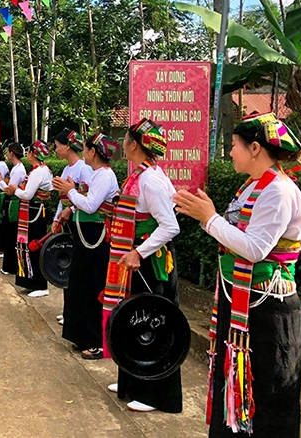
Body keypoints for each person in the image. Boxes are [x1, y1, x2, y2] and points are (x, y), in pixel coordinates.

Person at [175, 112, 301, 437]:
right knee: (234, 386)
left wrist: (210, 218)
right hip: (244, 304)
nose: (230, 152)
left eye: (234, 145)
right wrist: (207, 216)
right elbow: (234, 234)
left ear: (255, 148)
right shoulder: (251, 186)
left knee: (267, 394)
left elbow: (256, 248)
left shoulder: (279, 191)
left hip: (267, 310)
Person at [102, 118, 181, 413]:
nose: (122, 143)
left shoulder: (149, 179)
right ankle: (131, 381)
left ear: (134, 145)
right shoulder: (141, 175)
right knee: (133, 318)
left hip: (151, 263)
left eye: (125, 138)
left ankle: (154, 393)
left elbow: (169, 226)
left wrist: (139, 252)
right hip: (138, 258)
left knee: (153, 322)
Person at [52, 133, 119, 359]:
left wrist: (69, 192)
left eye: (86, 149)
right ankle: (81, 335)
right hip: (86, 235)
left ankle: (96, 340)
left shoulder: (104, 176)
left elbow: (90, 206)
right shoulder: (99, 174)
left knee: (93, 286)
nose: (83, 153)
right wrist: (70, 207)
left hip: (96, 236)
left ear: (93, 152)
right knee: (80, 284)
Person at [51, 129, 92, 326]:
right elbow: (63, 199)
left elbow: (89, 198)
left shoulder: (84, 169)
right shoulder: (66, 170)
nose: (55, 150)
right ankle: (68, 310)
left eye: (57, 146)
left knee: (77, 271)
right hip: (66, 222)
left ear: (67, 146)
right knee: (67, 269)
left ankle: (74, 313)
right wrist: (56, 219)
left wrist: (72, 210)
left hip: (80, 225)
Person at [4, 141, 53, 297]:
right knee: (26, 245)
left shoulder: (39, 171)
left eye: (30, 151)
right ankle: (30, 281)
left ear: (33, 153)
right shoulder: (38, 170)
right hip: (31, 211)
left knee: (34, 246)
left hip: (34, 212)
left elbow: (27, 195)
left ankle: (40, 283)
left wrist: (14, 190)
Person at [0, 144, 28, 276]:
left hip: (15, 203)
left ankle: (11, 266)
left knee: (11, 235)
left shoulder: (18, 170)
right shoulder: (16, 168)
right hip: (13, 203)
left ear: (12, 153)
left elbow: (9, 190)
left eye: (8, 151)